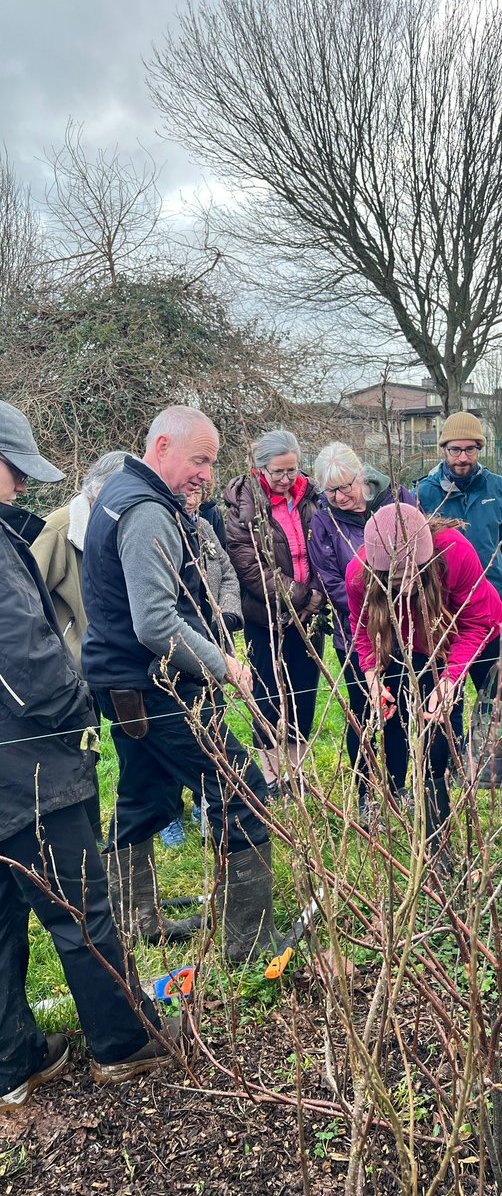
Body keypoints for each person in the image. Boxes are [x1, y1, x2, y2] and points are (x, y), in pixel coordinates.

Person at [0, 400, 179, 1112]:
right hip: (27, 766)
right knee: (81, 912)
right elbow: (26, 659)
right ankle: (125, 1043)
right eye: (14, 473)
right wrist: (81, 708)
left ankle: (12, 1061)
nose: (18, 489)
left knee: (2, 918)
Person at [82, 405, 276, 959]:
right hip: (154, 688)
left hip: (127, 687)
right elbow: (156, 624)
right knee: (242, 788)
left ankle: (133, 919)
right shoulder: (145, 512)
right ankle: (251, 944)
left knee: (145, 795)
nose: (207, 475)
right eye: (200, 460)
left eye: (212, 463)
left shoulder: (121, 495)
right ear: (162, 446)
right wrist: (226, 666)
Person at [345, 503, 502, 842]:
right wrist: (373, 677)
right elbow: (363, 632)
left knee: (463, 711)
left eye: (412, 574)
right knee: (421, 718)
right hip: (415, 642)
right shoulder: (357, 574)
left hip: (478, 629)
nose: (404, 588)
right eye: (394, 578)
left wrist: (449, 680)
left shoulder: (454, 551)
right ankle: (430, 816)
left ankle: (466, 785)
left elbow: (476, 622)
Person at [308, 443, 416, 811]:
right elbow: (330, 581)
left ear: (362, 476)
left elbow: (418, 551)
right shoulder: (323, 522)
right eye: (330, 491)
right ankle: (367, 795)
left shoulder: (397, 499)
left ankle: (399, 789)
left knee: (400, 709)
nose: (340, 497)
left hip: (404, 628)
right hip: (354, 633)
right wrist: (373, 602)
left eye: (346, 486)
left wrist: (397, 599)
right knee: (366, 712)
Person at [30, 450, 127, 841]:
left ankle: (134, 832)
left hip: (117, 662)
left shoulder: (120, 521)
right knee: (84, 756)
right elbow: (27, 596)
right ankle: (90, 842)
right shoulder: (60, 528)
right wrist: (63, 644)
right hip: (77, 668)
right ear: (96, 489)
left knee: (130, 745)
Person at [224, 429, 325, 794]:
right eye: (277, 472)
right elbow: (248, 565)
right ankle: (270, 774)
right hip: (265, 615)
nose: (285, 480)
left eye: (292, 471)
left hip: (310, 615)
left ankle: (296, 774)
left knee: (303, 691)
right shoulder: (243, 505)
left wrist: (316, 598)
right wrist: (301, 596)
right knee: (268, 692)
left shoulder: (313, 498)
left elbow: (326, 550)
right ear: (259, 468)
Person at [159, 483, 245, 848]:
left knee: (213, 723)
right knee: (178, 735)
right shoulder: (162, 530)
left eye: (196, 496)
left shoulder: (205, 528)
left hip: (213, 645)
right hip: (178, 650)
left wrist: (225, 611)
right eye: (184, 496)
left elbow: (227, 573)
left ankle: (204, 803)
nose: (191, 501)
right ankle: (169, 814)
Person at [416, 411, 502, 636]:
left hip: (495, 598)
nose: (462, 457)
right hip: (445, 608)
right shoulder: (423, 493)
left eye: (470, 449)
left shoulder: (497, 487)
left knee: (501, 671)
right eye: (455, 450)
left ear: (479, 449)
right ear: (444, 449)